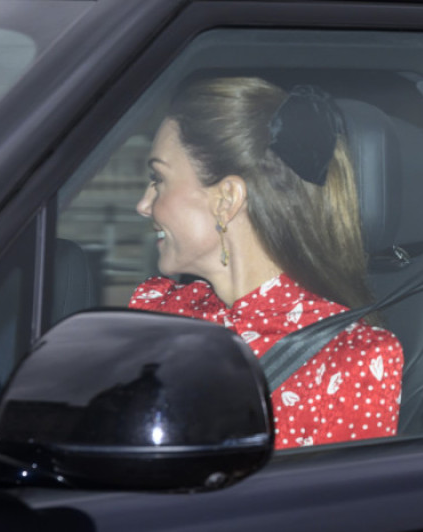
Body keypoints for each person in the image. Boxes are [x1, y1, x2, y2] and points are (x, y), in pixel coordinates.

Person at [129, 76, 403, 450]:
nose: (143, 205)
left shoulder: (350, 359)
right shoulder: (157, 309)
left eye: (158, 179)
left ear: (227, 199)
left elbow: (341, 490)